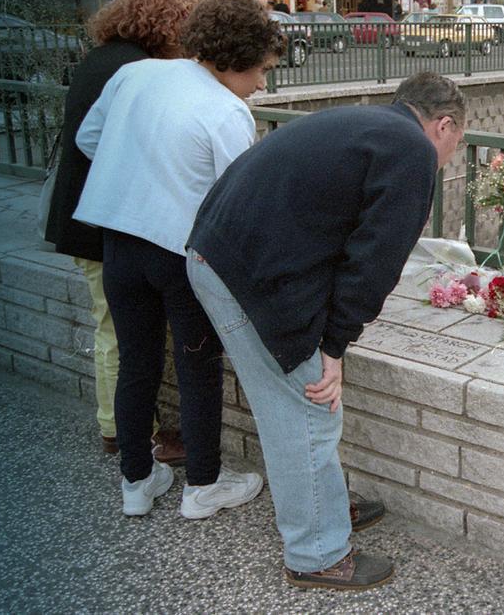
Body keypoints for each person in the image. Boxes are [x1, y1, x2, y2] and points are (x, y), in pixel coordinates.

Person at [185, 71, 466, 590]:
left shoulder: (366, 123)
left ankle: (325, 507)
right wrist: (333, 347)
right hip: (245, 274)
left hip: (216, 251)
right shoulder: (412, 152)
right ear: (444, 126)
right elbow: (374, 263)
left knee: (293, 404)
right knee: (307, 408)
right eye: (456, 143)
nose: (449, 155)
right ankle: (317, 552)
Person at [73, 0, 284, 518]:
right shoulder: (226, 111)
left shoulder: (137, 74)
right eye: (260, 70)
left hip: (118, 240)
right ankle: (203, 487)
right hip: (179, 253)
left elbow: (88, 137)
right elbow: (241, 201)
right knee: (198, 367)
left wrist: (143, 170)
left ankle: (136, 483)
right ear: (234, 60)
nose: (262, 84)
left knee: (136, 363)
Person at [44, 0, 200, 460]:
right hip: (103, 223)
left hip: (85, 215)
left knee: (112, 327)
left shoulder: (104, 58)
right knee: (116, 332)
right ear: (169, 23)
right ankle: (124, 431)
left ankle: (124, 426)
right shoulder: (138, 67)